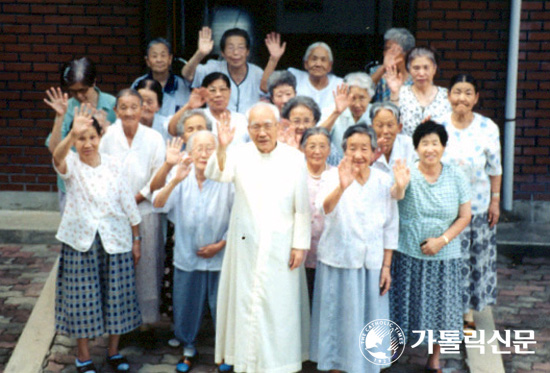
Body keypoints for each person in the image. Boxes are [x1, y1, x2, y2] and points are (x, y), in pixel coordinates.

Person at [205, 102, 311, 372]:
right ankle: (246, 362)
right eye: (255, 127)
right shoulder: (239, 154)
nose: (262, 132)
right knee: (245, 304)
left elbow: (302, 206)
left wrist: (300, 244)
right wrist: (222, 146)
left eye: (267, 126)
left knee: (279, 307)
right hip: (246, 245)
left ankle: (279, 364)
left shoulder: (294, 157)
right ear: (248, 129)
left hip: (282, 244)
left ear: (278, 127)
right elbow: (216, 173)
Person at [52, 105, 141, 373]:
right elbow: (57, 157)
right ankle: (83, 356)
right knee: (83, 299)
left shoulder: (115, 164)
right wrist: (69, 132)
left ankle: (113, 352)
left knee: (118, 298)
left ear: (100, 138)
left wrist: (137, 238)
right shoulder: (72, 164)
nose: (87, 143)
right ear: (74, 141)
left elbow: (128, 202)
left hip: (116, 240)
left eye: (92, 137)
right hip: (81, 243)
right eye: (81, 138)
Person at [310, 124, 403, 373]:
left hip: (371, 264)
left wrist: (386, 266)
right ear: (344, 151)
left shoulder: (383, 180)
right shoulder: (332, 175)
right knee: (337, 323)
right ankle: (337, 368)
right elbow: (324, 208)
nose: (358, 155)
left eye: (364, 148)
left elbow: (390, 227)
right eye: (353, 148)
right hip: (338, 261)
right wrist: (341, 187)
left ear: (374, 152)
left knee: (368, 321)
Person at [390, 121, 471, 372]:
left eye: (435, 143)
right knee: (402, 304)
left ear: (443, 147)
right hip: (408, 253)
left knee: (442, 309)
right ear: (416, 148)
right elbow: (395, 197)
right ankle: (393, 350)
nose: (430, 148)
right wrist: (400, 184)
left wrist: (442, 240)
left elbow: (464, 216)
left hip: (444, 255)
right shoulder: (408, 172)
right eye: (424, 143)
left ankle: (434, 359)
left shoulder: (456, 174)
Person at [153, 131, 234, 373]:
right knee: (185, 305)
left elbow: (241, 220)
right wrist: (174, 180)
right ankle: (188, 348)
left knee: (222, 307)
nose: (204, 153)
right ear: (189, 152)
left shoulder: (226, 181)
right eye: (199, 148)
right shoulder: (181, 177)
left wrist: (221, 244)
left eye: (210, 148)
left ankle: (224, 353)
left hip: (220, 257)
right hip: (187, 257)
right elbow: (158, 203)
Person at [440, 74, 502, 331]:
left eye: (468, 93)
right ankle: (446, 313)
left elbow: (495, 169)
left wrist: (495, 201)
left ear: (476, 98)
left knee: (474, 263)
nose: (461, 98)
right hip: (446, 210)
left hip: (477, 209)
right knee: (450, 263)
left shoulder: (488, 127)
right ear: (448, 96)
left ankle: (467, 317)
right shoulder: (438, 125)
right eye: (457, 92)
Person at [99, 89, 166, 327]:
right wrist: (121, 203)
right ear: (116, 111)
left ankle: (145, 322)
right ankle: (118, 324)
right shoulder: (107, 138)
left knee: (147, 267)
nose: (129, 112)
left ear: (142, 109)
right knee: (117, 269)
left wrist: (137, 197)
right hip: (114, 213)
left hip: (145, 210)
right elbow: (101, 173)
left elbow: (159, 176)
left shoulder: (154, 138)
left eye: (134, 107)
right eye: (123, 107)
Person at [44, 56, 116, 212]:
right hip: (72, 184)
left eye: (84, 90)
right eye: (73, 92)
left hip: (105, 184)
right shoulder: (67, 107)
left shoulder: (112, 104)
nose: (80, 96)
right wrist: (59, 117)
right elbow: (54, 150)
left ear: (94, 82)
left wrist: (106, 131)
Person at [182, 27, 264, 114]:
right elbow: (187, 74)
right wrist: (200, 53)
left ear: (248, 51)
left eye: (241, 47)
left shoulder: (257, 73)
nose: (236, 52)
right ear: (222, 52)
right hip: (217, 124)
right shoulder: (213, 67)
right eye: (230, 48)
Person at [299, 127, 333, 305]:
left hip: (328, 254)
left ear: (329, 149)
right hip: (300, 254)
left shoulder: (336, 175)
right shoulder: (295, 174)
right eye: (312, 146)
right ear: (303, 148)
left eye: (322, 146)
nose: (317, 151)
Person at [388, 47, 451, 136]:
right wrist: (394, 93)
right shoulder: (401, 92)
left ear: (434, 69)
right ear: (409, 70)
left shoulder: (447, 96)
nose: (421, 73)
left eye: (426, 68)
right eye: (416, 68)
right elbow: (391, 123)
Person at [319, 72, 375, 159]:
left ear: (370, 97)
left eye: (362, 98)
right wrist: (337, 112)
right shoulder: (333, 110)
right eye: (353, 98)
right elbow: (317, 135)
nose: (357, 104)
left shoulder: (375, 113)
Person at [131, 38, 190, 116]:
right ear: (147, 61)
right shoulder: (138, 84)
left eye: (163, 55)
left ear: (170, 59)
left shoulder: (181, 84)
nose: (159, 60)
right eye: (154, 56)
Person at [280, 96, 340, 166]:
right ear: (287, 122)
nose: (301, 127)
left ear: (314, 122)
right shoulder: (280, 146)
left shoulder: (326, 146)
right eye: (296, 121)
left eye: (306, 121)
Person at [287, 42, 343, 110]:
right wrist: (273, 60)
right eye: (314, 59)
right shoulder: (294, 77)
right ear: (306, 63)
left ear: (330, 66)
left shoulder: (340, 85)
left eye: (323, 60)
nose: (318, 64)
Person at [370, 102, 416, 178]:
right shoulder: (365, 147)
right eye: (380, 126)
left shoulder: (409, 145)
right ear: (371, 127)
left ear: (399, 127)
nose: (385, 131)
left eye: (390, 125)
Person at [370, 28, 415, 102]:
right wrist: (383, 68)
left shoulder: (418, 75)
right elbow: (363, 91)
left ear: (406, 53)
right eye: (386, 49)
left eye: (393, 50)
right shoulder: (377, 71)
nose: (387, 53)